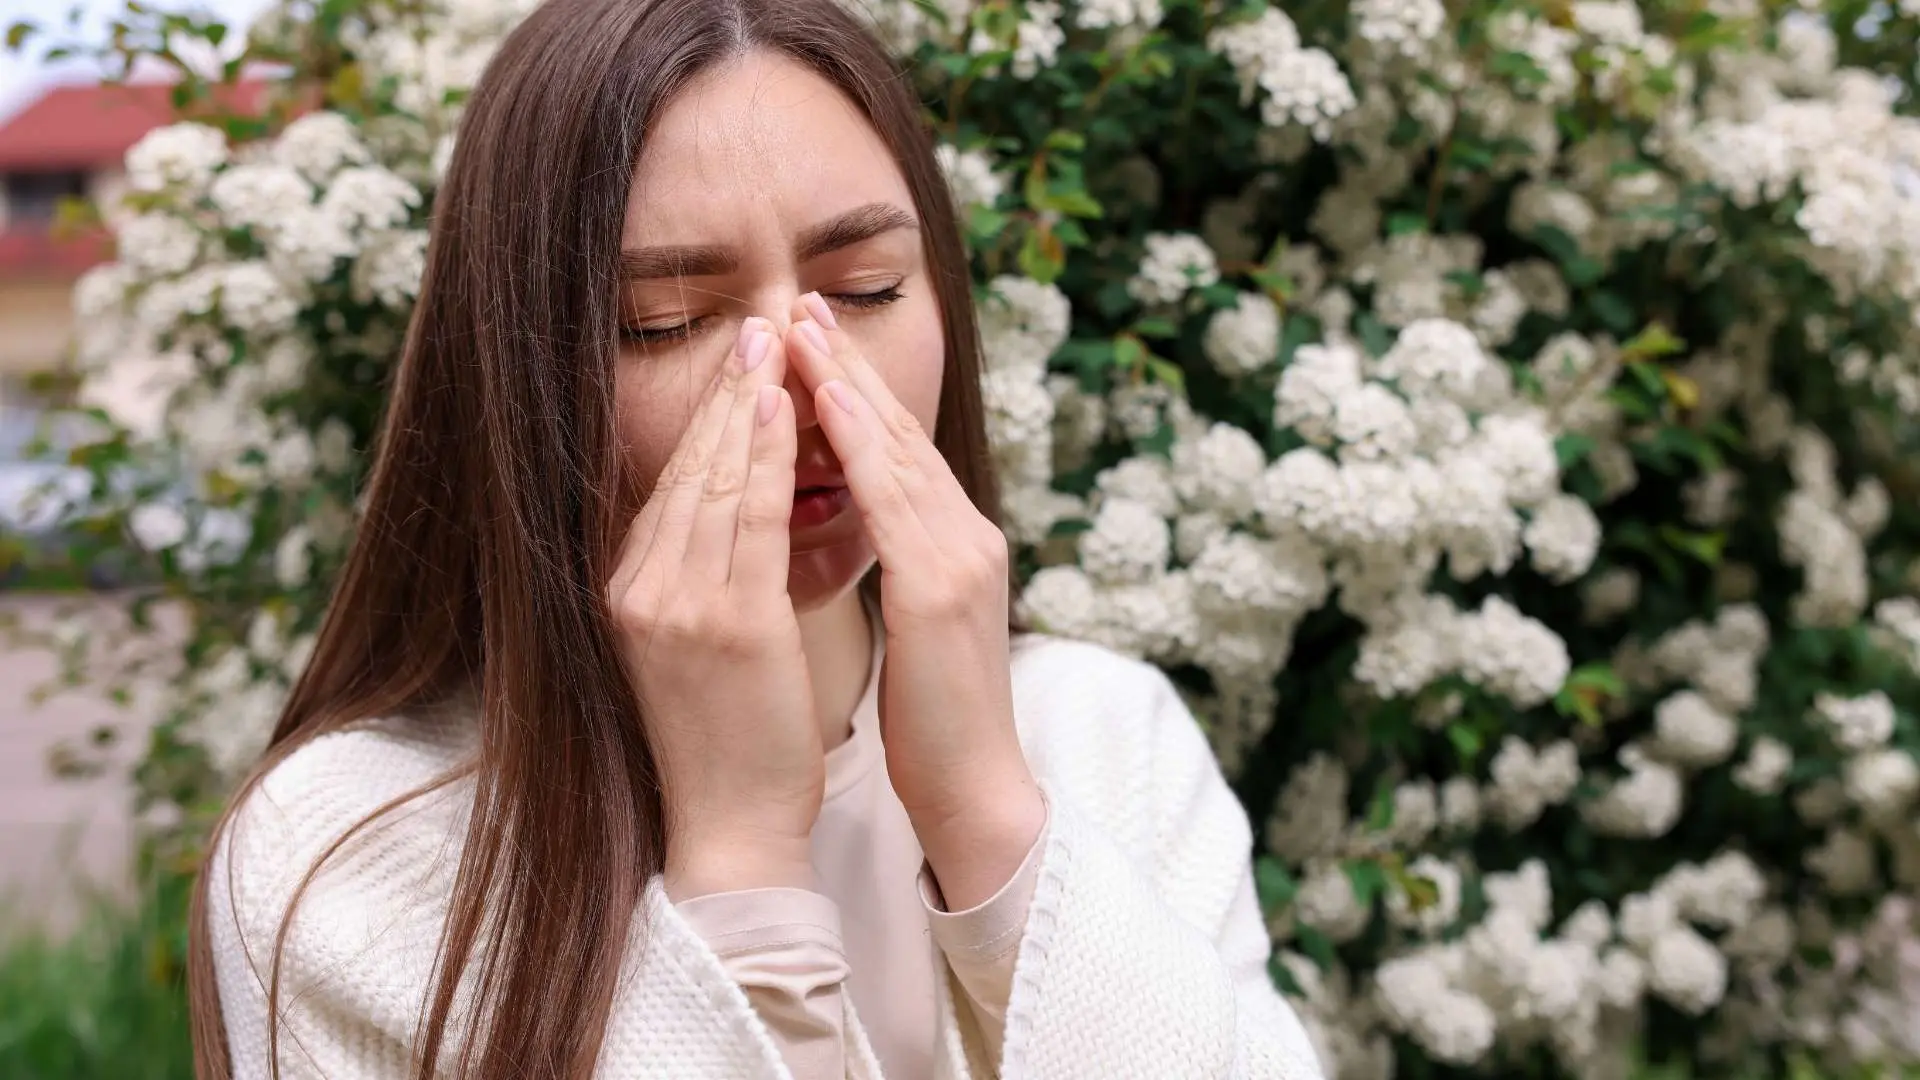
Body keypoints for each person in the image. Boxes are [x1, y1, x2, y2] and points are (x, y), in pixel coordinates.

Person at [186, 0, 1324, 1077]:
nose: (804, 389)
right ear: (524, 372)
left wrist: (984, 814)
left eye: (869, 290)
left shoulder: (1103, 734)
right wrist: (739, 866)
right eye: (665, 324)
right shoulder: (344, 852)